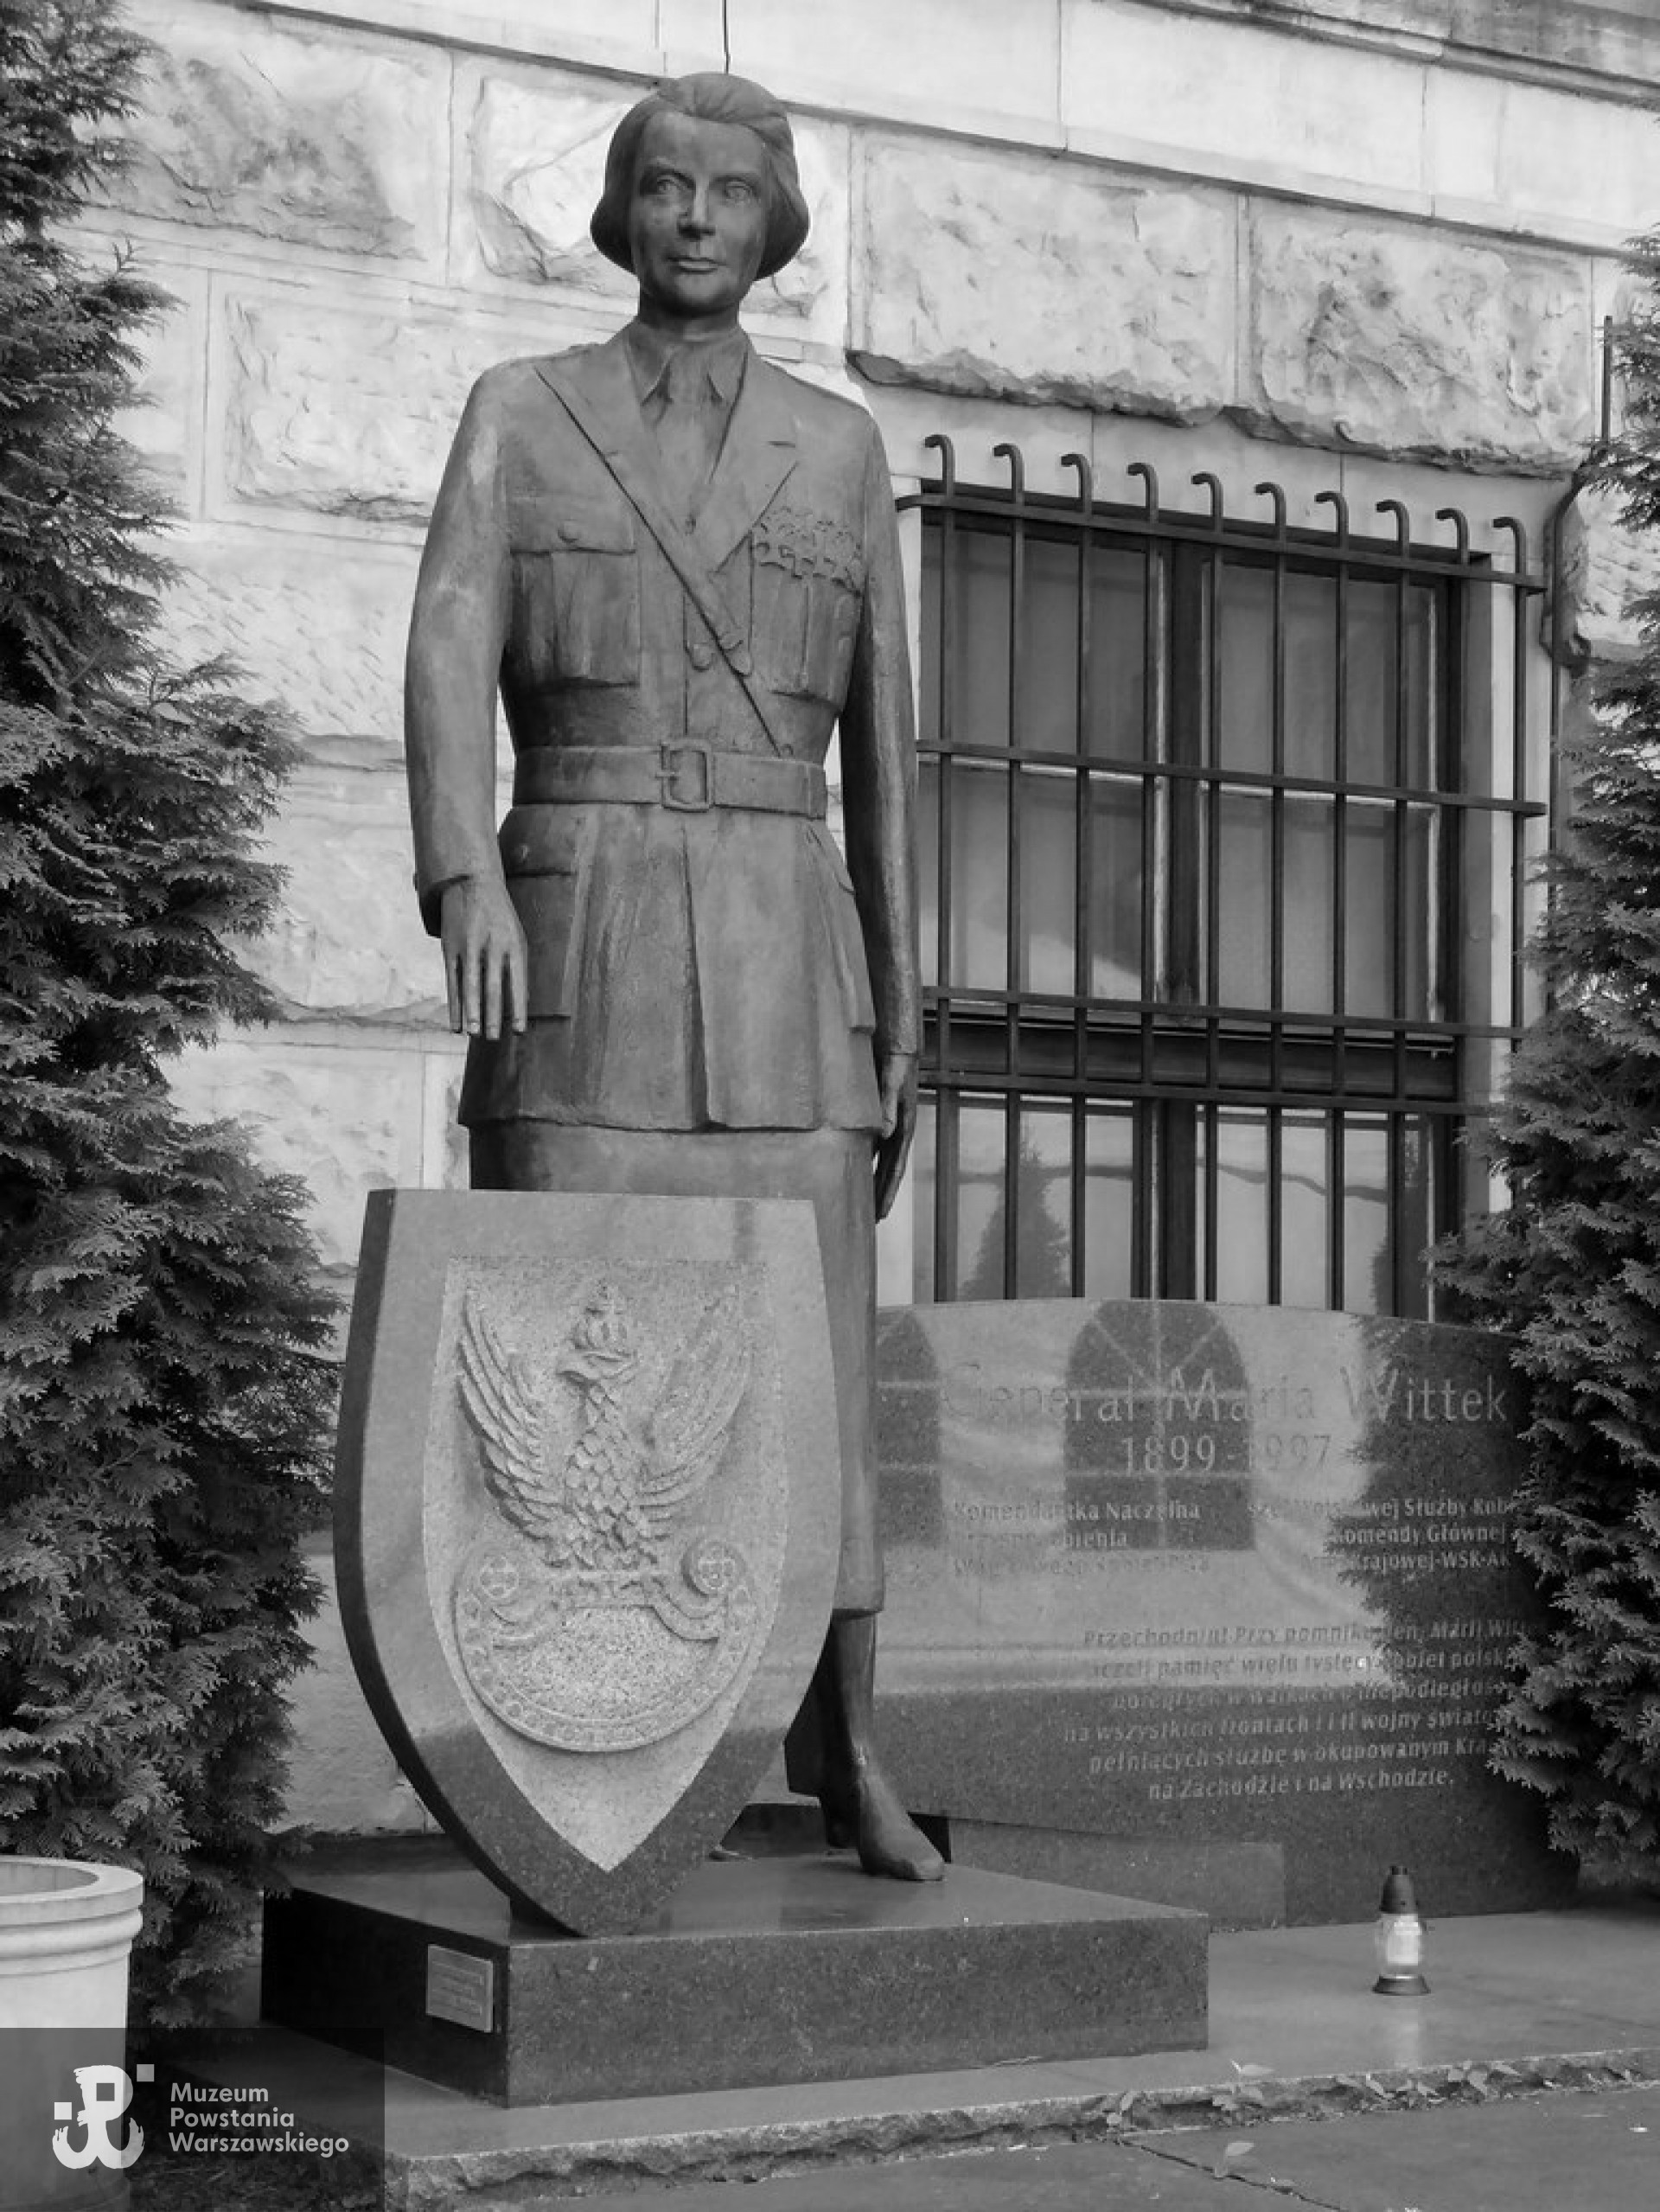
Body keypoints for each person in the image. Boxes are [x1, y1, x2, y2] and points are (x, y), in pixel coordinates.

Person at [404, 70, 942, 1882]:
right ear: (622, 214)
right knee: (557, 1351)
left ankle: (852, 1750)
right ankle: (567, 1747)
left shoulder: (838, 447)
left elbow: (886, 751)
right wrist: (463, 873)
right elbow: (448, 645)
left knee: (821, 1365)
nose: (696, 216)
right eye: (665, 186)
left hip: (791, 965)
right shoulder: (523, 410)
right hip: (583, 936)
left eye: (728, 191)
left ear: (774, 227)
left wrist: (901, 1001)